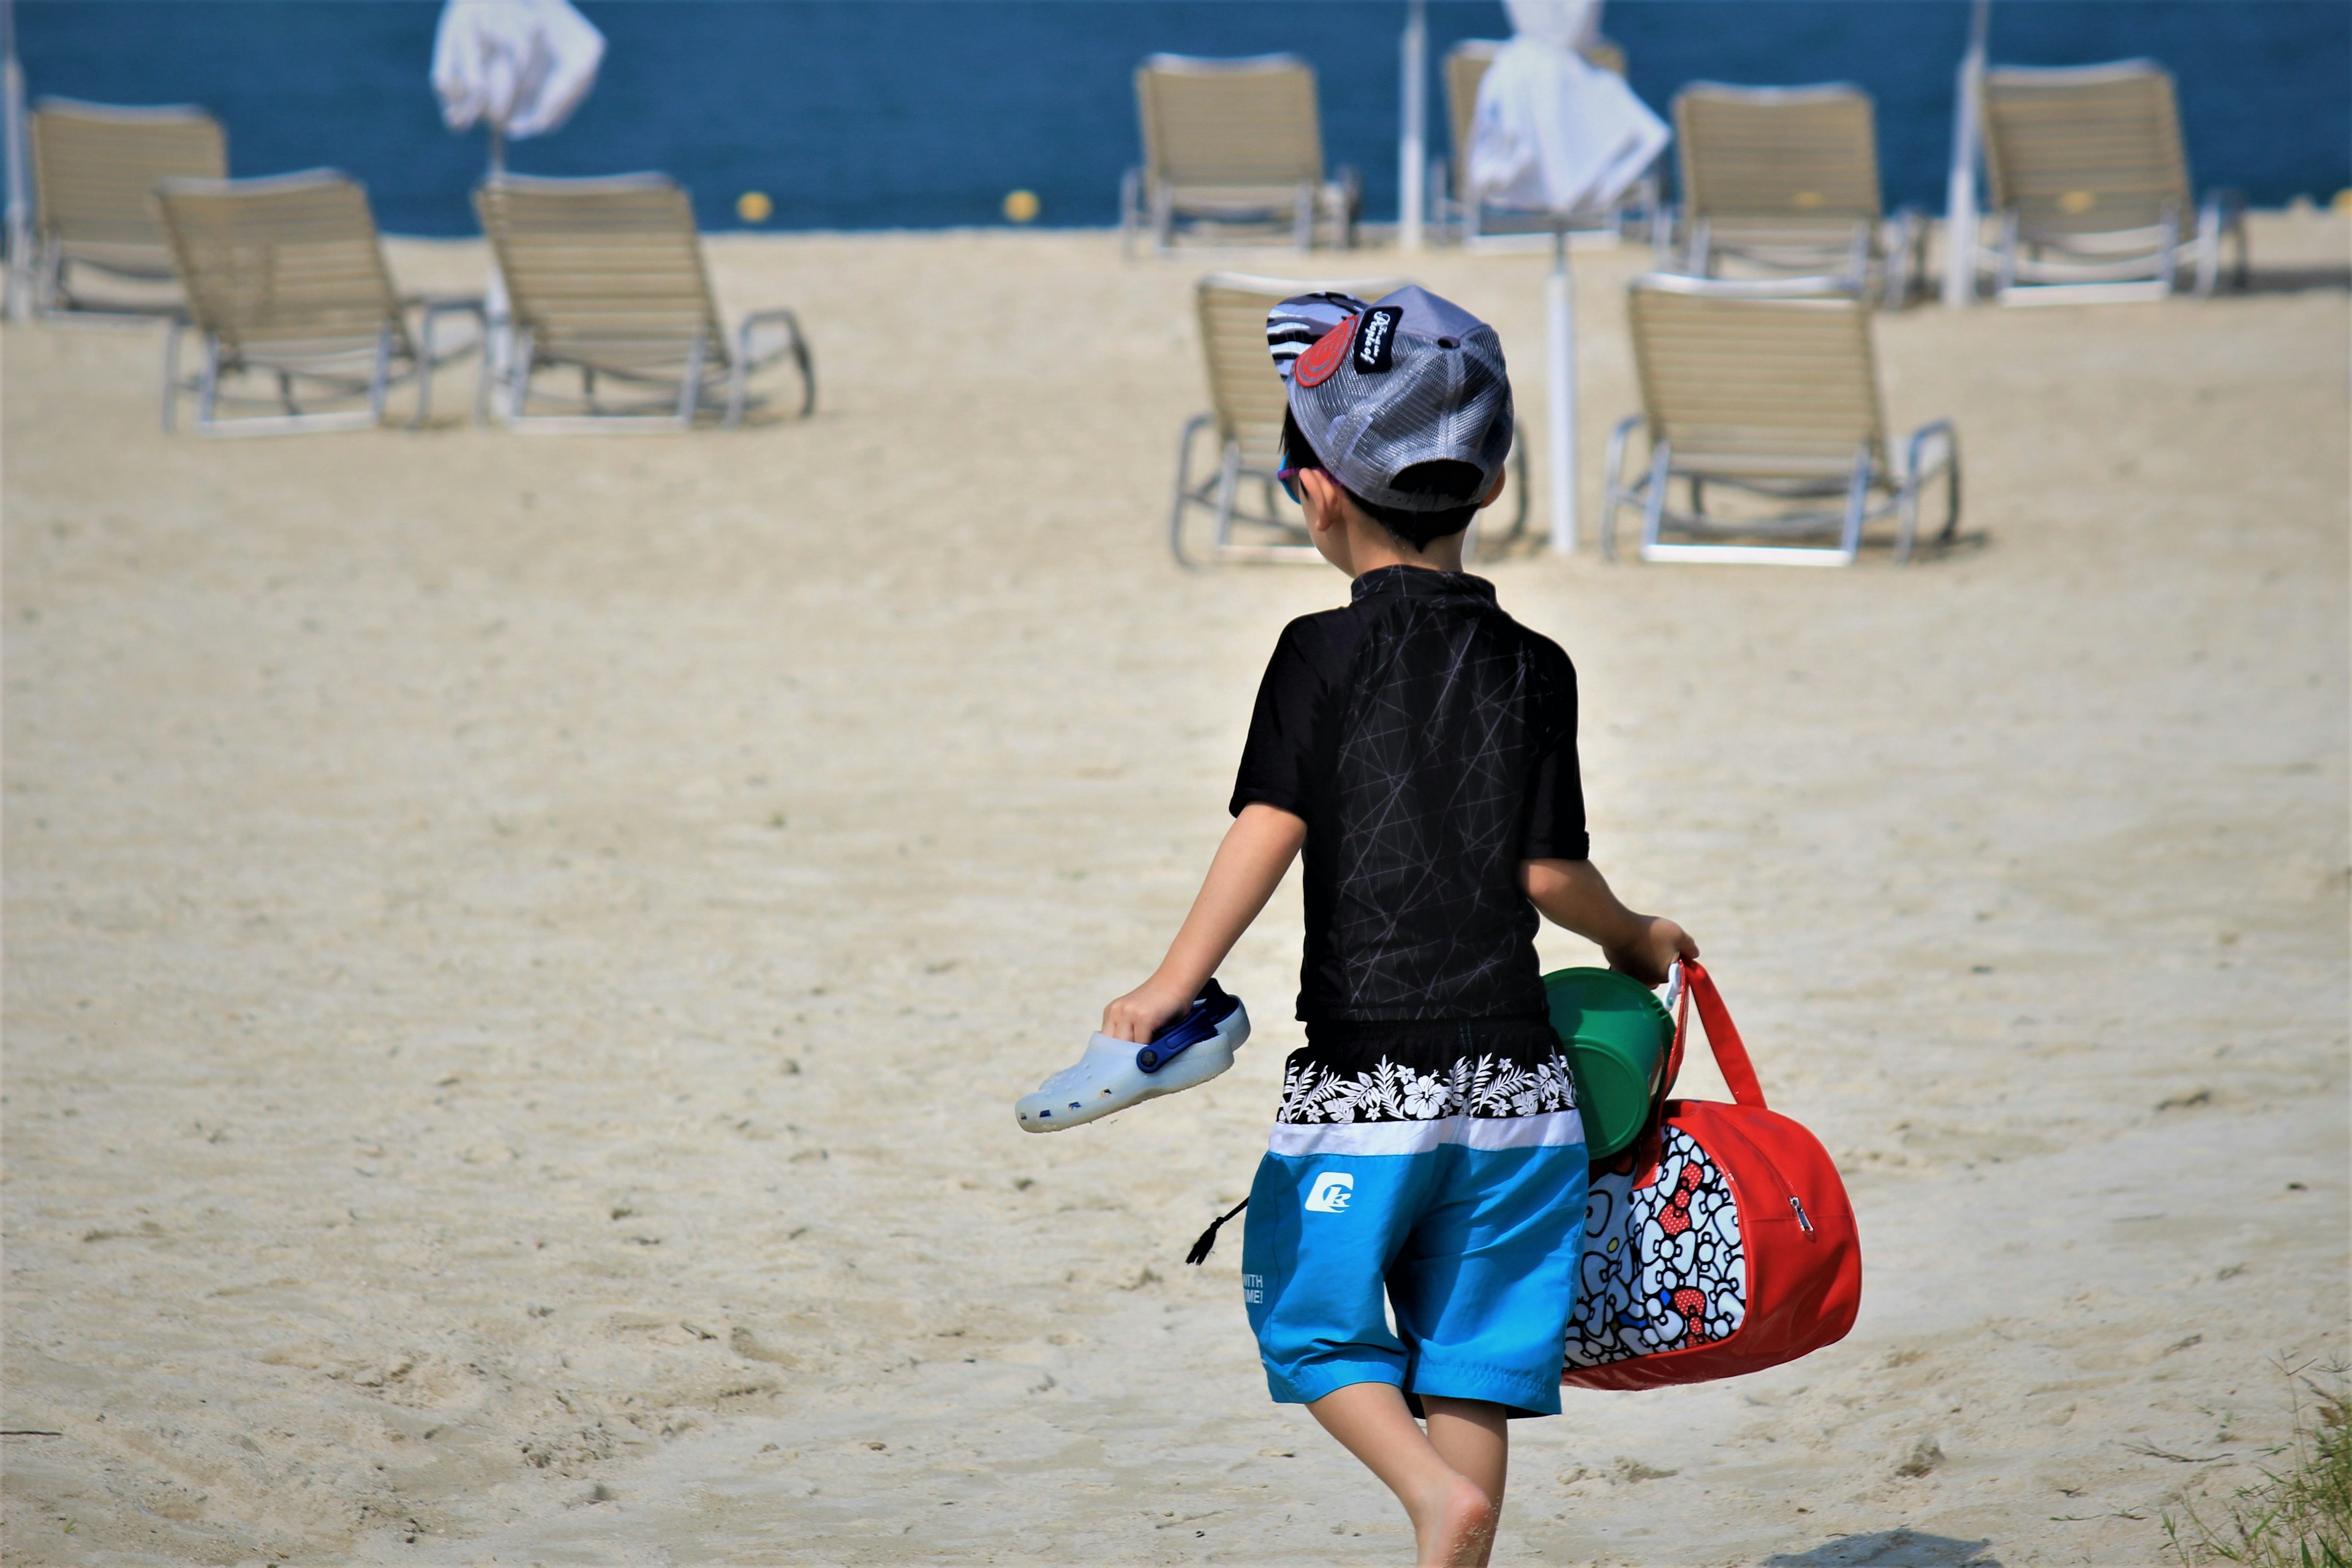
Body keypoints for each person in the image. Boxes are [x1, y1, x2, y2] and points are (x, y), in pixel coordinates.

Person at [1099, 286, 1696, 1567]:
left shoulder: (1319, 651)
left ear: (1317, 494)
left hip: (1374, 1073)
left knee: (1313, 1318)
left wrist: (1167, 984)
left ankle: (1433, 1500)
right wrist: (1633, 935)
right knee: (1472, 1356)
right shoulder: (1539, 662)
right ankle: (1454, 1524)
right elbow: (1551, 874)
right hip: (1523, 1085)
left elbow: (1269, 827)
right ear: (1487, 486)